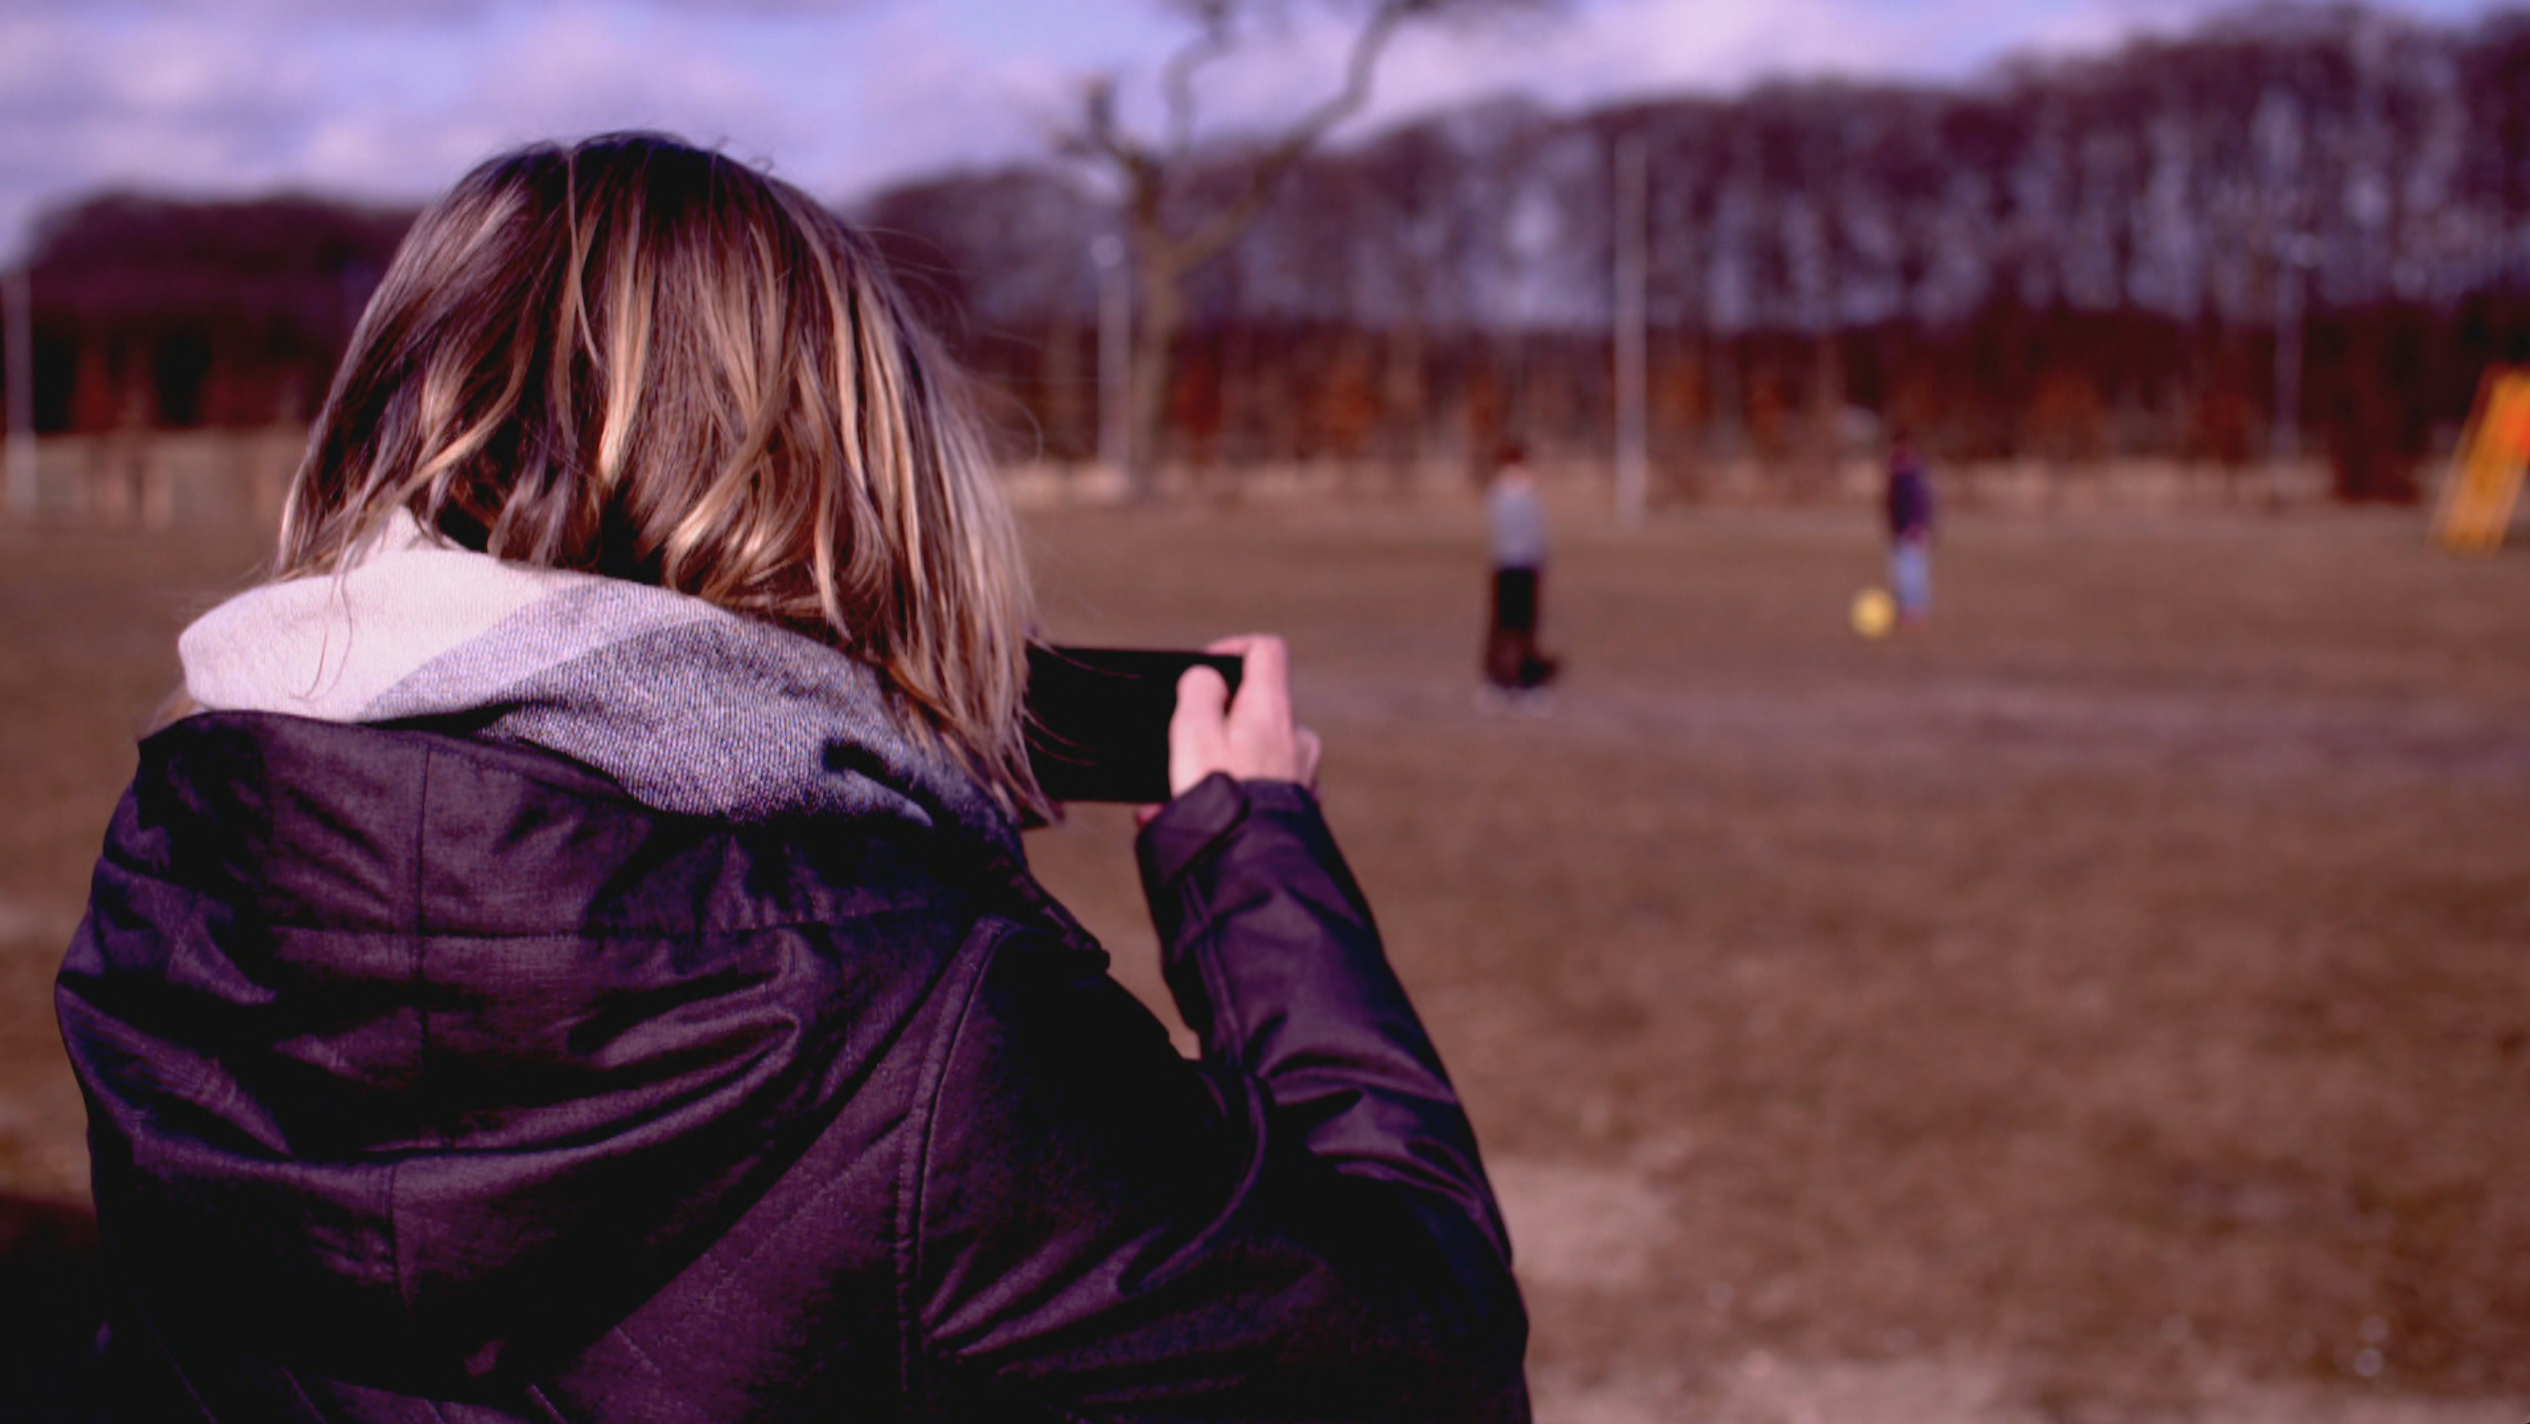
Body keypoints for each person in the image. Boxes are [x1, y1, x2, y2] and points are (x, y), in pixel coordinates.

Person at [54, 133, 1529, 1423]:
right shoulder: (919, 1026)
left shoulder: (182, 866)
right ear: (844, 485)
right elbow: (1428, 1358)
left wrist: (874, 822)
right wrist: (1250, 863)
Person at [1480, 441, 1557, 704]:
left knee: (1527, 625)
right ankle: (1496, 680)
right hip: (1506, 566)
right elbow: (1501, 529)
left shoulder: (1531, 496)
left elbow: (1540, 532)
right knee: (1503, 625)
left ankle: (1527, 680)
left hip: (1529, 567)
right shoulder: (1500, 495)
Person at [1885, 431, 1936, 629]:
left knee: (1913, 575)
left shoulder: (1915, 477)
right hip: (1898, 533)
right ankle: (1906, 612)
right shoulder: (1896, 475)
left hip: (1913, 534)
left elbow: (1922, 506)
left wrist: (1920, 528)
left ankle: (1916, 614)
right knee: (1900, 575)